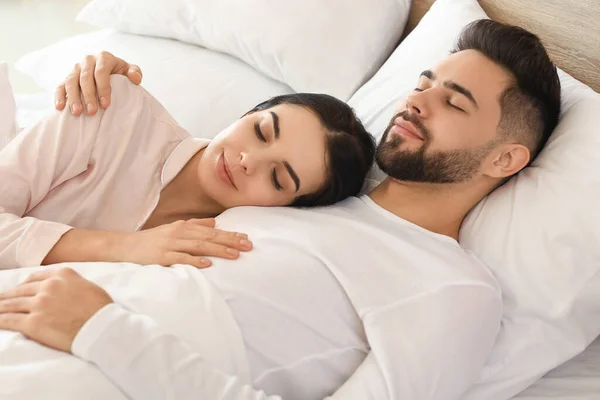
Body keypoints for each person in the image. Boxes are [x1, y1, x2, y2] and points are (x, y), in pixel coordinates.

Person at [0, 20, 561, 400]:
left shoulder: (451, 287)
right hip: (39, 309)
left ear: (506, 158)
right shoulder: (307, 202)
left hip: (93, 363)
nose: (416, 101)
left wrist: (102, 330)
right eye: (424, 83)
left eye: (452, 102)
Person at [0, 77, 375, 270]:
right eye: (262, 130)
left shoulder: (225, 249)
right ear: (249, 112)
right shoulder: (114, 107)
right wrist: (122, 247)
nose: (248, 159)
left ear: (291, 207)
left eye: (278, 179)